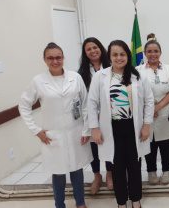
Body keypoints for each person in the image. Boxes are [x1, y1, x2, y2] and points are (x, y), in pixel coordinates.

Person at [18, 42, 92, 208]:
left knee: (77, 169)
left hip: (76, 131)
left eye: (58, 57)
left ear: (63, 58)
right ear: (45, 60)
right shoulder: (38, 81)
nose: (55, 61)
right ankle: (60, 204)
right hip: (54, 135)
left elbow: (86, 104)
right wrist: (36, 130)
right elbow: (23, 105)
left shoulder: (75, 77)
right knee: (58, 173)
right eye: (50, 58)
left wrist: (86, 129)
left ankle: (80, 203)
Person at [88, 40, 154, 208]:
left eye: (122, 54)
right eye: (115, 54)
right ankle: (121, 202)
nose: (119, 58)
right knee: (117, 167)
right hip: (111, 129)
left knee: (134, 165)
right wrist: (94, 128)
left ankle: (136, 199)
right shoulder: (100, 76)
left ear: (128, 56)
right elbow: (92, 103)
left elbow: (149, 101)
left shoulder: (139, 75)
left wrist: (147, 125)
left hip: (134, 127)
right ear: (109, 57)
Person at [136, 33, 169, 185]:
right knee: (149, 143)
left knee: (166, 143)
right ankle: (151, 172)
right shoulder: (137, 71)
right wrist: (149, 110)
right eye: (149, 51)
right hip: (146, 114)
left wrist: (157, 107)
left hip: (166, 113)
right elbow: (135, 93)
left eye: (156, 51)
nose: (153, 54)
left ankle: (167, 171)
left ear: (160, 53)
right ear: (145, 53)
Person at [78, 37, 113, 194]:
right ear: (85, 53)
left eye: (95, 47)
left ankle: (110, 175)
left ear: (101, 48)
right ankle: (97, 176)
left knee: (110, 145)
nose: (93, 51)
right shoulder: (82, 73)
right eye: (88, 49)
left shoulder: (112, 66)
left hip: (110, 115)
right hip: (90, 116)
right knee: (94, 147)